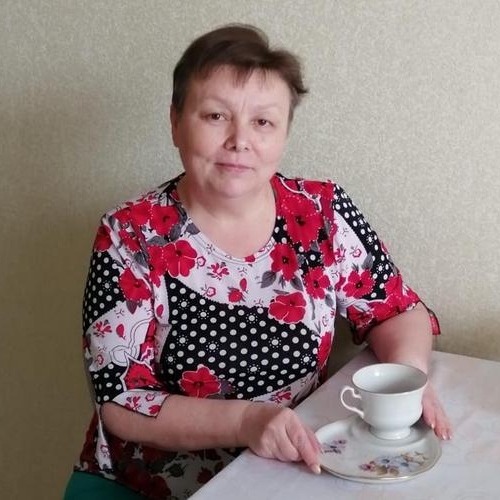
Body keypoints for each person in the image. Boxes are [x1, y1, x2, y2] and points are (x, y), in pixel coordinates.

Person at [64, 23, 451, 500]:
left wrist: (406, 381)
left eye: (263, 122)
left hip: (287, 473)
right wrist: (246, 421)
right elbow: (121, 400)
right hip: (153, 484)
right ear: (175, 123)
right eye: (215, 116)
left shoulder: (321, 212)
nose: (239, 140)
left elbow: (394, 309)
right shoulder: (130, 233)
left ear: (284, 133)